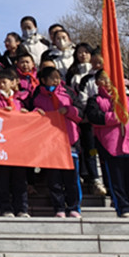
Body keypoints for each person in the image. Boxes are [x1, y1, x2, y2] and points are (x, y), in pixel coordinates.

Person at [85, 71, 129, 218]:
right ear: (97, 82)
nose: (106, 83)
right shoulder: (95, 100)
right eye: (102, 80)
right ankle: (123, 207)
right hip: (111, 145)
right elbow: (94, 117)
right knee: (116, 181)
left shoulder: (127, 98)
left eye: (109, 80)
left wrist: (125, 105)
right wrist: (116, 116)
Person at [28, 66, 83, 218]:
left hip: (69, 139)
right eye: (52, 78)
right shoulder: (37, 96)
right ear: (43, 80)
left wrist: (69, 110)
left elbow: (81, 112)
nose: (56, 80)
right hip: (49, 143)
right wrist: (35, 114)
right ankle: (59, 207)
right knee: (54, 179)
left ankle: (74, 207)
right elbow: (31, 115)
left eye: (57, 77)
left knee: (71, 178)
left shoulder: (68, 93)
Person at [0, 68, 30, 217]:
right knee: (1, 179)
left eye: (4, 82)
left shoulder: (20, 101)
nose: (1, 85)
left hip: (18, 145)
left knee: (19, 179)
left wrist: (26, 114)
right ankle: (5, 208)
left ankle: (22, 208)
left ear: (12, 83)